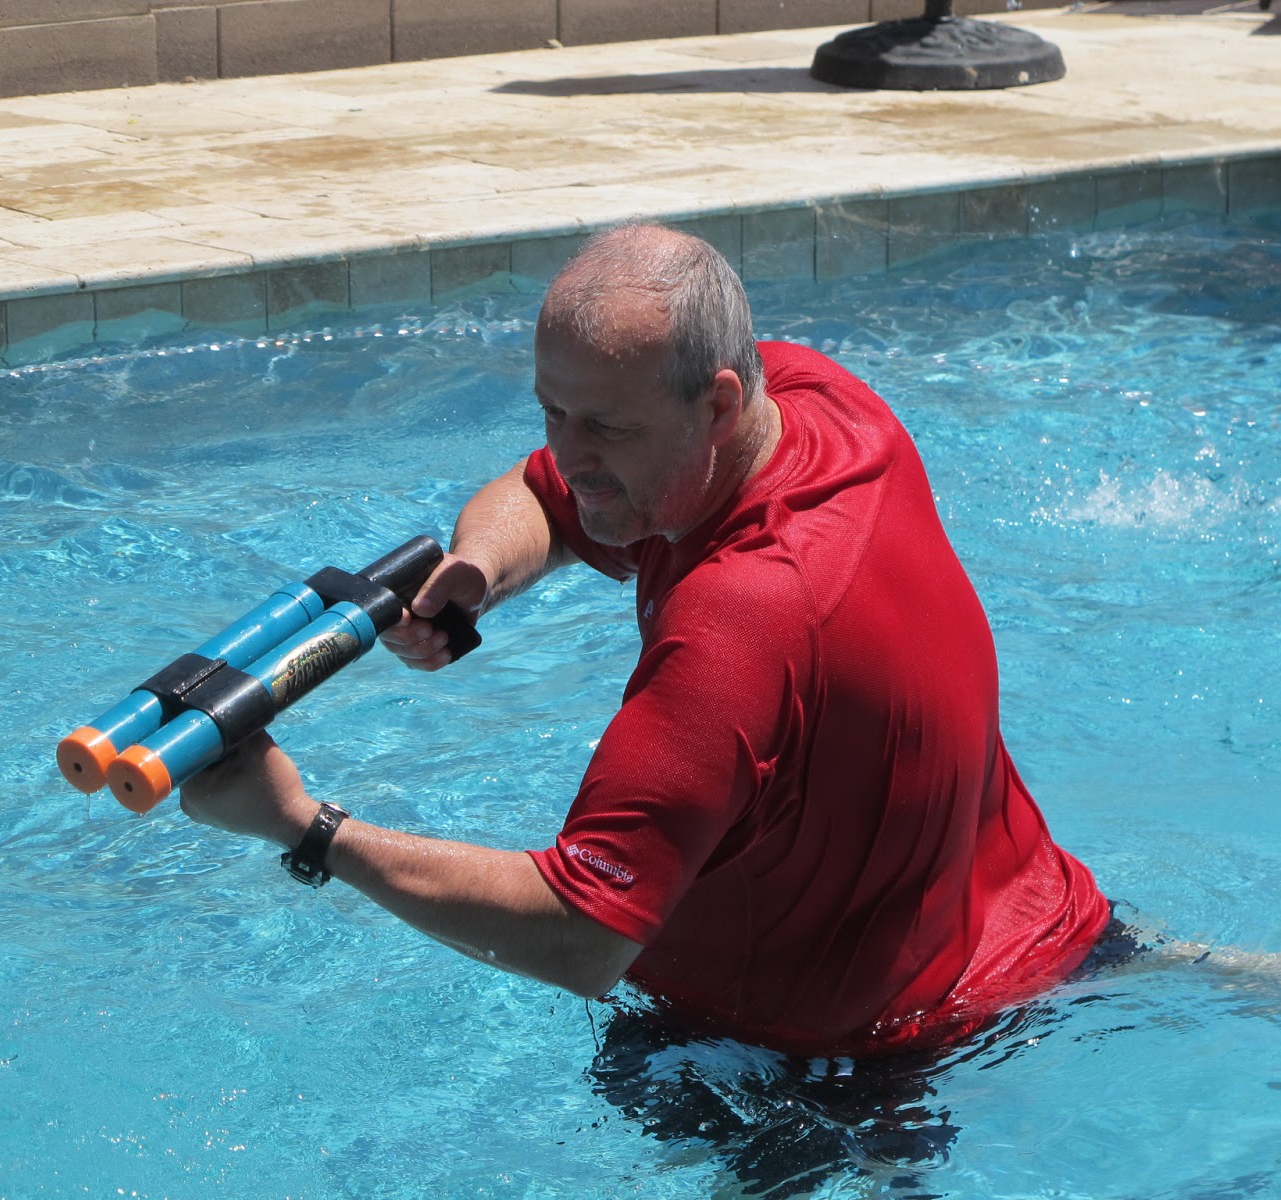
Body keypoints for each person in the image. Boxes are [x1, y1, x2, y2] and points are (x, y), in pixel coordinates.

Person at [179, 222, 1111, 1057]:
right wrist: (482, 567)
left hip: (841, 1066)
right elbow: (542, 491)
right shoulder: (814, 397)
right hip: (1051, 929)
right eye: (552, 412)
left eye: (606, 428)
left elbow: (582, 936)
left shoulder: (740, 624)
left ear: (715, 405)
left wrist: (305, 827)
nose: (573, 454)